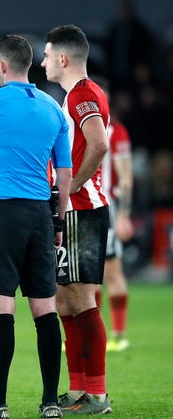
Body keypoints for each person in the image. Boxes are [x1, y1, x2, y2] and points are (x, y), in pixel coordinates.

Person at [0, 34, 72, 419]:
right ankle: (50, 401)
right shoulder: (53, 107)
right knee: (44, 307)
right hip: (40, 214)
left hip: (3, 213)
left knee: (1, 306)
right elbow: (65, 172)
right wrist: (57, 219)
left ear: (0, 67)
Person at [42, 24, 112, 415]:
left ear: (64, 59)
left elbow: (100, 143)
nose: (44, 61)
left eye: (49, 55)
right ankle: (79, 389)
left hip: (82, 210)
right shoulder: (76, 95)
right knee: (66, 300)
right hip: (77, 208)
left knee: (81, 299)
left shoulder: (83, 95)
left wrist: (68, 192)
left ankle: (97, 394)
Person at [92, 76, 134, 352]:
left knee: (111, 270)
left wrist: (123, 215)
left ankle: (118, 334)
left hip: (107, 207)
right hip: (82, 207)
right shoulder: (73, 126)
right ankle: (90, 334)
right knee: (85, 274)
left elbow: (127, 178)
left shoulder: (115, 131)